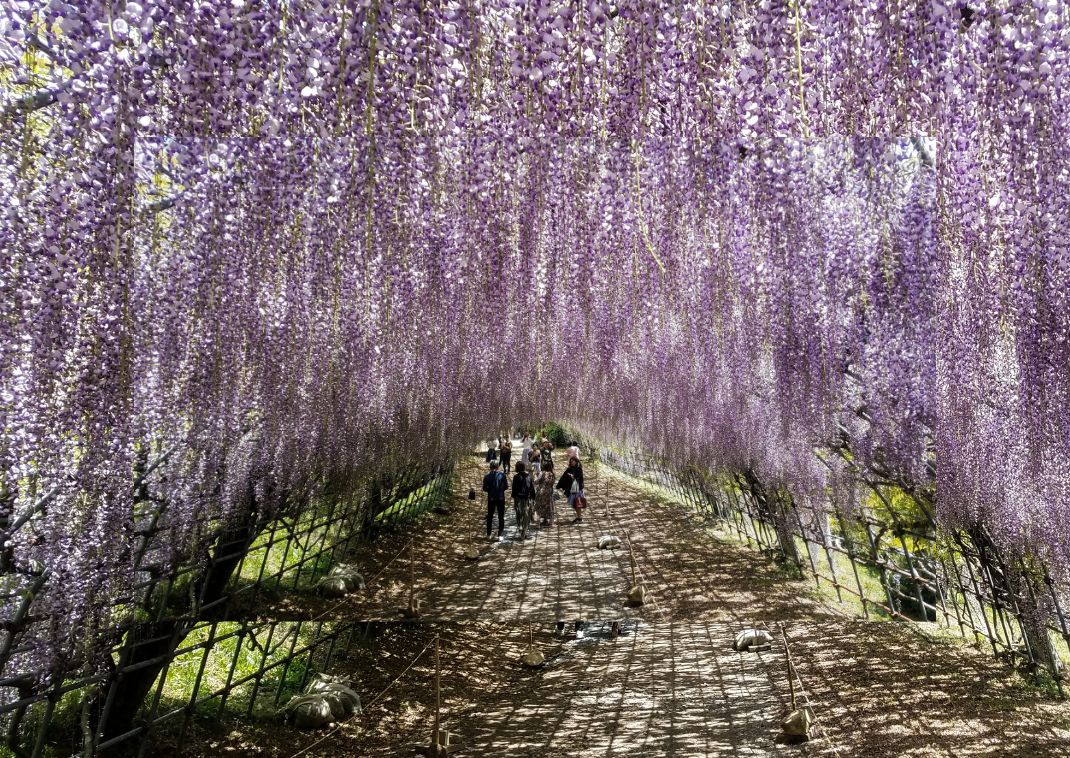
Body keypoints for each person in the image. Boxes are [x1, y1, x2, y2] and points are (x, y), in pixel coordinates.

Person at [482, 460, 509, 539]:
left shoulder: (487, 475)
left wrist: (490, 491)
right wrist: (500, 490)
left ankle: (488, 534)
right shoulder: (502, 475)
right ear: (498, 466)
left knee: (490, 516)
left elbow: (484, 488)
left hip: (491, 498)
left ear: (490, 466)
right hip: (500, 497)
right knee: (501, 516)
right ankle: (500, 534)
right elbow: (506, 486)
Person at [511, 462, 537, 535]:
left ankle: (520, 526)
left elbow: (514, 488)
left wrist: (513, 496)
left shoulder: (516, 477)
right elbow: (531, 488)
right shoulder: (528, 476)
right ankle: (525, 529)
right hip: (526, 498)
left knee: (518, 512)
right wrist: (533, 497)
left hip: (518, 497)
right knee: (526, 513)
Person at [559, 457, 586, 522]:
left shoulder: (579, 469)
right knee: (574, 504)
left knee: (578, 504)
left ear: (576, 461)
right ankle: (579, 517)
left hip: (578, 489)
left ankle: (580, 518)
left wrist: (572, 477)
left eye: (573, 461)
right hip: (572, 489)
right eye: (571, 461)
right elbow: (563, 477)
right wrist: (559, 485)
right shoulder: (569, 469)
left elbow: (579, 478)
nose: (572, 462)